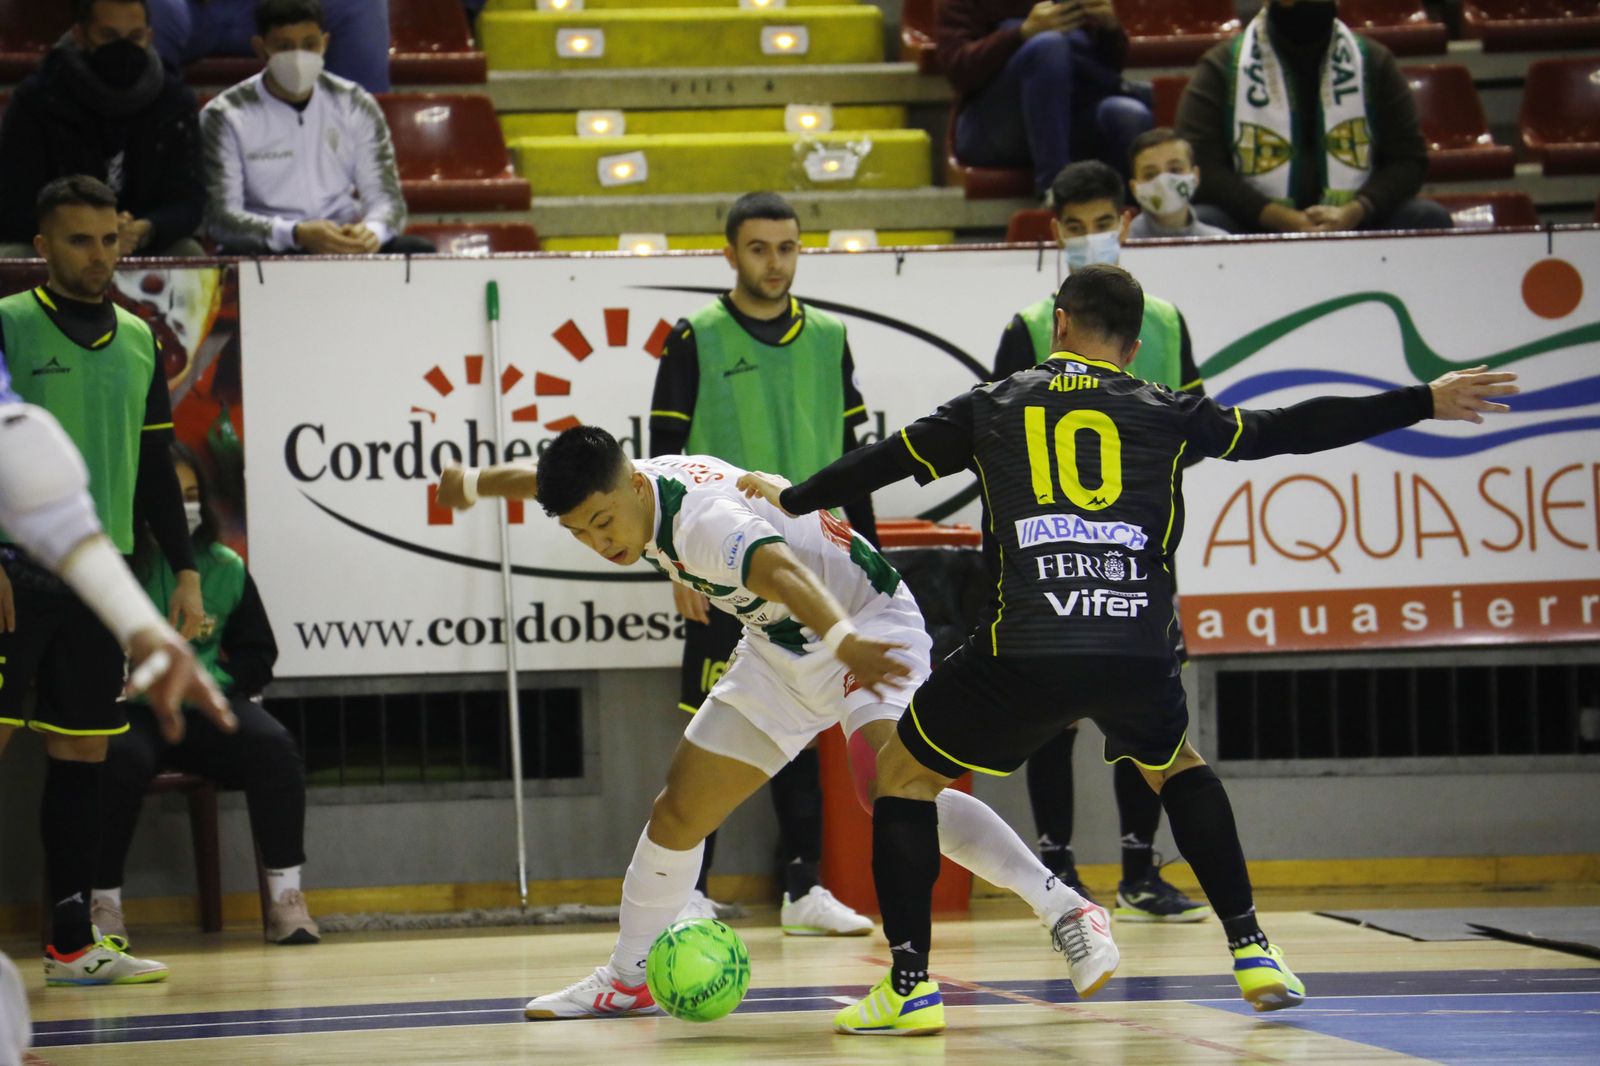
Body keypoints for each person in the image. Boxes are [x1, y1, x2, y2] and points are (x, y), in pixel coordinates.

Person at [738, 264, 1517, 1034]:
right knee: (1176, 764)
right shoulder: (1170, 410)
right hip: (1134, 646)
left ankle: (908, 988)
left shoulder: (992, 404)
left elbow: (889, 459)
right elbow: (1292, 428)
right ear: (1136, 348)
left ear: (1060, 324)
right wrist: (1424, 400)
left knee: (904, 776)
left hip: (1028, 645)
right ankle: (1252, 948)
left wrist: (795, 497)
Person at [433, 429, 1119, 1022]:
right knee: (678, 812)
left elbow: (785, 571)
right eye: (580, 532)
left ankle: (1066, 908)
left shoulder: (702, 524)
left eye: (603, 523)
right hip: (780, 648)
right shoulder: (621, 485)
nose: (600, 542)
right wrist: (475, 482)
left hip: (865, 624)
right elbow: (544, 480)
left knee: (889, 789)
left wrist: (845, 641)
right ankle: (627, 981)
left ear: (636, 487)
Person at [0, 174, 220, 988]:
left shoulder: (136, 338)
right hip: (17, 577)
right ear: (41, 246)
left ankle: (70, 945)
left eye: (109, 239)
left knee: (82, 756)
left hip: (103, 579)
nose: (99, 254)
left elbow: (158, 473)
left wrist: (188, 571)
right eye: (79, 239)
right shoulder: (7, 327)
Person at [648, 191, 879, 935]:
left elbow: (855, 465)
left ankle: (803, 889)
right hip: (722, 566)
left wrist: (868, 570)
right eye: (758, 248)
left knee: (808, 720)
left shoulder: (832, 336)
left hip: (817, 567)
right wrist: (677, 569)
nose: (774, 263)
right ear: (729, 253)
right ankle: (690, 891)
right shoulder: (695, 338)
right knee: (709, 725)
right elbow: (658, 468)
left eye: (786, 247)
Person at [991, 159, 1210, 924]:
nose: (1089, 238)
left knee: (1143, 707)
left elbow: (1192, 430)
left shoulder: (1170, 321)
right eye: (1073, 227)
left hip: (1140, 548)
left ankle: (1141, 870)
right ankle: (1056, 864)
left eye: (1101, 224)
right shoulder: (1027, 327)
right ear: (1056, 232)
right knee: (1056, 710)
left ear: (1126, 223)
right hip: (1050, 548)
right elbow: (1000, 443)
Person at [92, 442, 317, 947]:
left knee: (273, 746)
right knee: (114, 757)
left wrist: (223, 685)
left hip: (208, 710)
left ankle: (287, 900)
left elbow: (259, 653)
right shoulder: (120, 566)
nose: (184, 506)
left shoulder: (225, 566)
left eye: (192, 494)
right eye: (172, 495)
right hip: (136, 712)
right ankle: (103, 905)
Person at [1175, 0, 1451, 234]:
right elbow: (1203, 165)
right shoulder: (1223, 66)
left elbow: (1409, 159)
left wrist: (1357, 210)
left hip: (1358, 222)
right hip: (1253, 224)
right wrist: (1278, 217)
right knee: (1204, 219)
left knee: (1426, 217)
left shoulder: (1374, 62)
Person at [200, 0, 433, 256]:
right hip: (271, 247)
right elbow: (221, 218)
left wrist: (371, 232)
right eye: (284, 47)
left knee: (417, 249)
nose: (299, 56)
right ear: (261, 48)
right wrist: (296, 233)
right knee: (238, 250)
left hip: (342, 239)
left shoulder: (354, 102)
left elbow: (387, 200)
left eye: (310, 44)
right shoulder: (225, 115)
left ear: (325, 42)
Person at [0, 0, 205, 259]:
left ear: (149, 36)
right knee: (11, 256)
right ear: (79, 35)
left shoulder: (174, 100)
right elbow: (14, 206)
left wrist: (147, 228)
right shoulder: (38, 99)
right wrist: (89, 232)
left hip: (139, 240)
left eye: (135, 37)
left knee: (189, 252)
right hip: (62, 243)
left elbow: (188, 201)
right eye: (109, 36)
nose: (123, 48)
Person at [938, 0, 1152, 198]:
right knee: (1047, 46)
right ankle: (1055, 190)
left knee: (1129, 115)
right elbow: (958, 69)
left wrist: (1109, 28)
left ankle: (1129, 221)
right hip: (991, 128)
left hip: (1067, 117)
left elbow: (1112, 63)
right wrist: (1022, 33)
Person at [148, 0, 392, 93]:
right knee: (140, 11)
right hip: (184, 8)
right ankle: (148, 143)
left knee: (360, 4)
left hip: (274, 8)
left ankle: (362, 141)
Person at [1126, 128, 1228, 240]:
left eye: (1175, 170)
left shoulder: (1219, 242)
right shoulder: (1122, 244)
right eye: (1150, 174)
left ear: (1196, 176)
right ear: (1134, 188)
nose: (1163, 181)